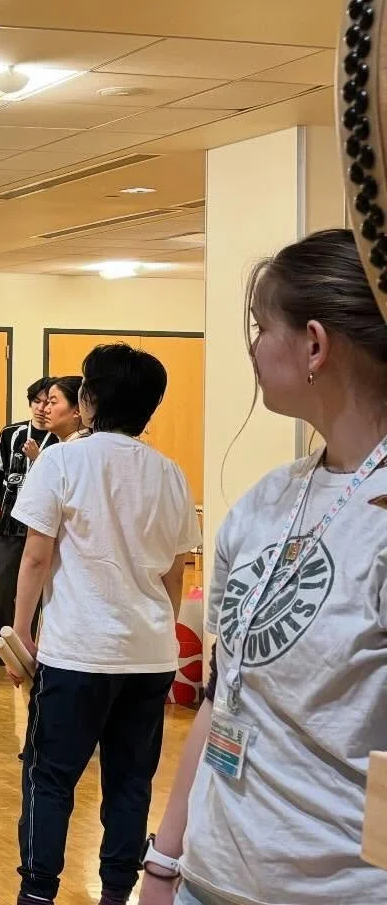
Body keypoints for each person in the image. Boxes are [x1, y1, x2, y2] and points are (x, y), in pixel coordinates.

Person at [139, 229, 387, 905]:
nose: (251, 348)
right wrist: (164, 860)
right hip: (210, 876)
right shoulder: (265, 504)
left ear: (313, 344)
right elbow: (225, 695)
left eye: (260, 327)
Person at [7, 344, 198, 905]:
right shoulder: (169, 473)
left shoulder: (62, 461)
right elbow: (176, 571)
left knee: (50, 778)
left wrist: (20, 632)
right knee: (130, 782)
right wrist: (160, 635)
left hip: (78, 652)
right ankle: (117, 893)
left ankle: (38, 893)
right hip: (149, 656)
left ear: (88, 399)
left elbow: (36, 557)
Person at [0, 376, 58, 667]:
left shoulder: (60, 440)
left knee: (34, 589)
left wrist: (38, 458)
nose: (42, 408)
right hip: (9, 522)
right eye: (37, 402)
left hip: (43, 527)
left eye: (49, 402)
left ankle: (27, 650)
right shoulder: (11, 433)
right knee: (2, 588)